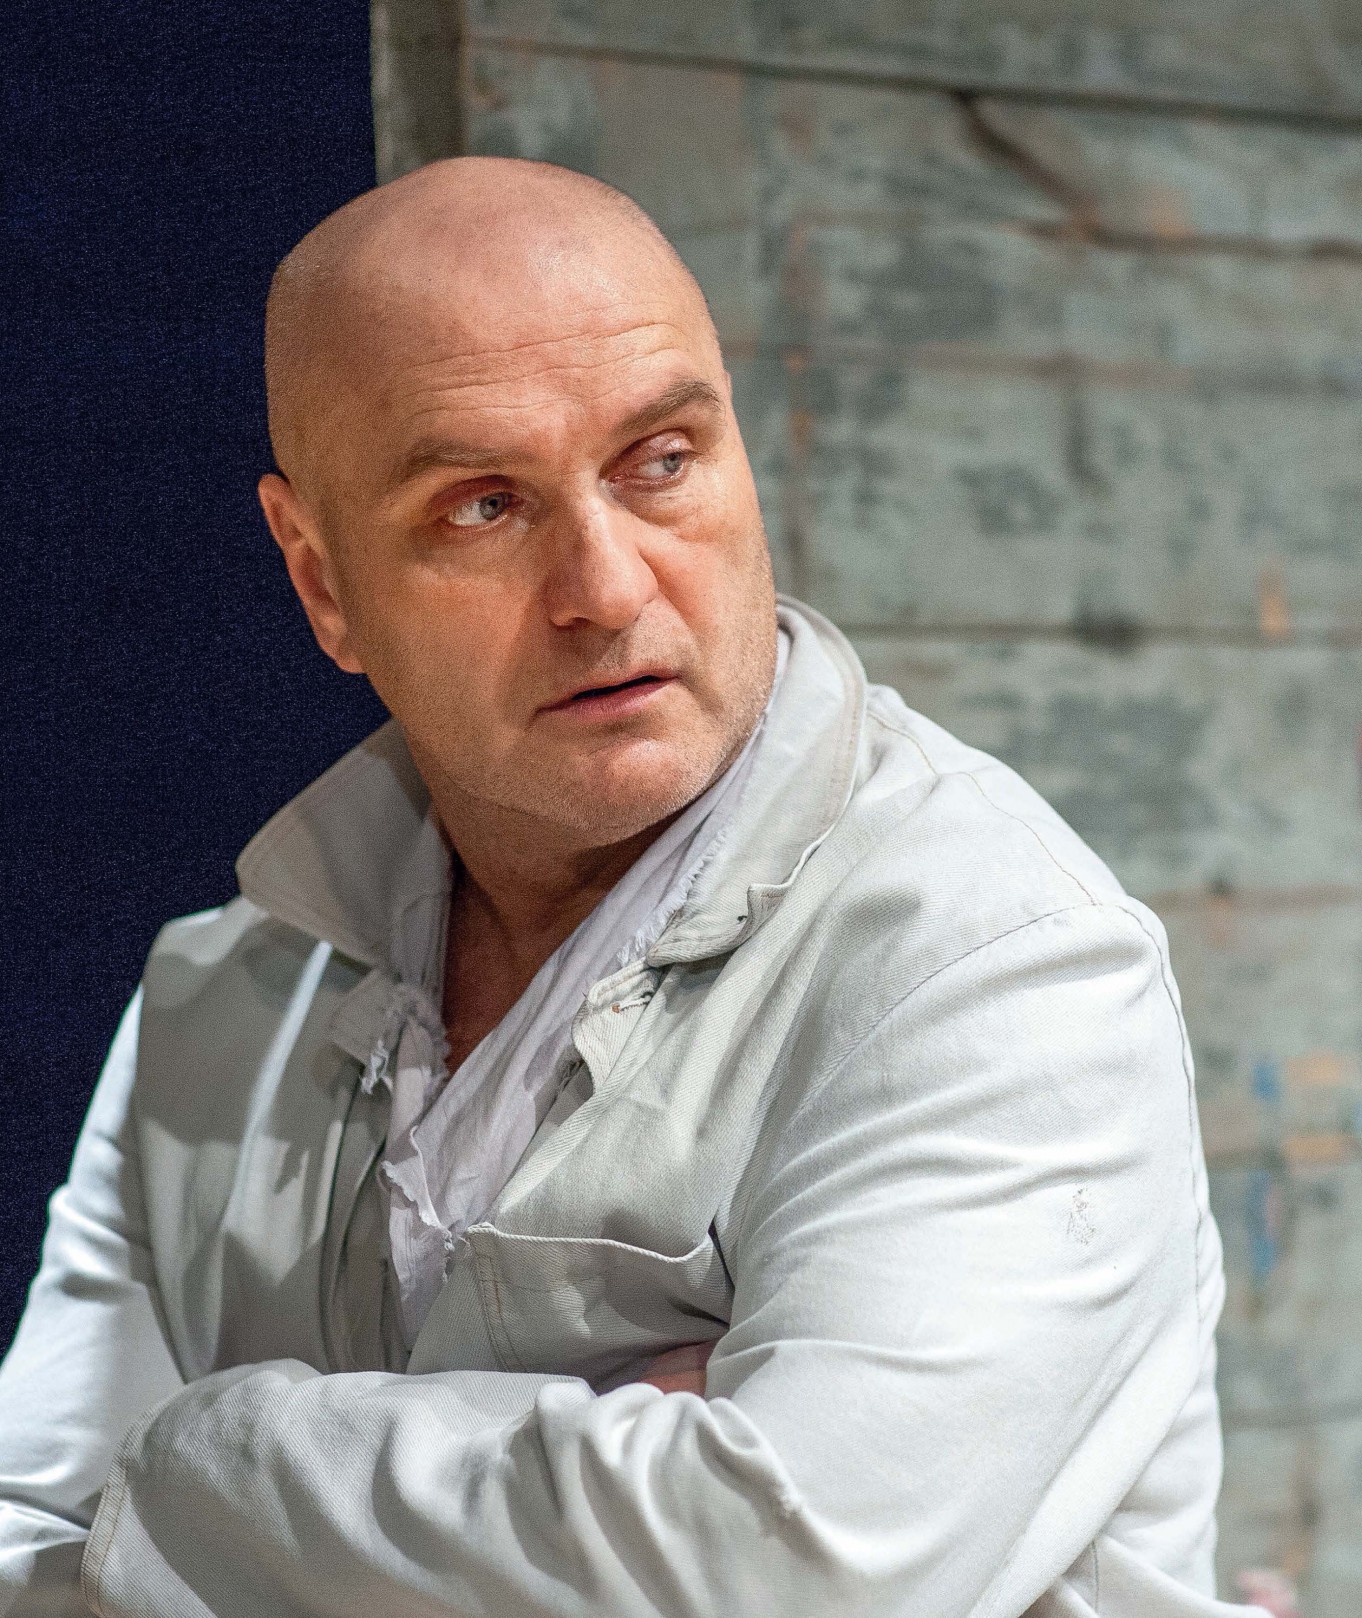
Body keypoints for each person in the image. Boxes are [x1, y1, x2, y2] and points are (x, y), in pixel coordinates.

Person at [0, 157, 1250, 1618]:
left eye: (660, 461)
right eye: (483, 506)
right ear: (322, 581)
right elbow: (26, 1545)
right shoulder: (221, 998)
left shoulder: (997, 960)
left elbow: (781, 1576)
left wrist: (196, 1466)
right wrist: (612, 1480)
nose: (605, 586)